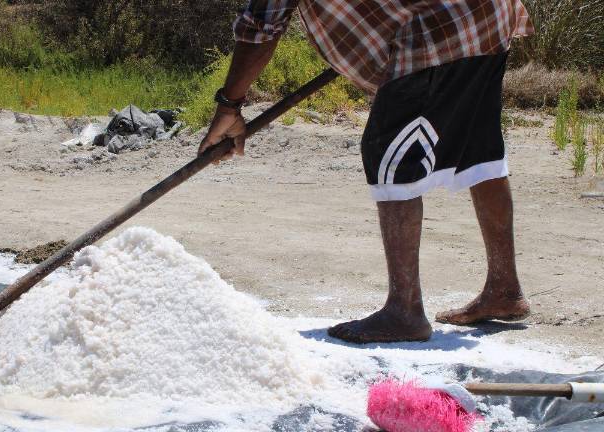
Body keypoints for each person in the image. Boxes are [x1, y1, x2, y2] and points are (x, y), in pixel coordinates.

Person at [198, 0, 534, 343]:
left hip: (436, 26)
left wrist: (229, 106)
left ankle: (404, 311)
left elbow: (262, 26)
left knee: (389, 154)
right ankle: (504, 289)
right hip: (487, 15)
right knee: (479, 149)